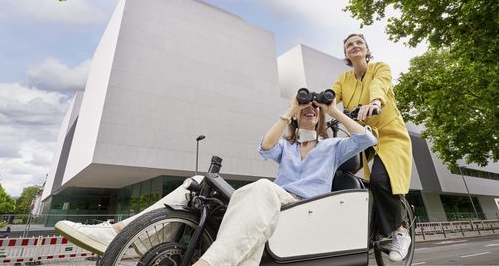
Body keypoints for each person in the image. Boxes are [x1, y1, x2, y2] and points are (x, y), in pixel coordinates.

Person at [56, 95, 377, 265]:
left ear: (319, 117)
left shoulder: (333, 146)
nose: (309, 111)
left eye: (312, 110)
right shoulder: (288, 146)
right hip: (276, 200)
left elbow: (365, 140)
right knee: (198, 180)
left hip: (305, 206)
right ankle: (118, 234)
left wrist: (332, 110)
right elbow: (264, 146)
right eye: (304, 109)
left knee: (264, 187)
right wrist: (290, 108)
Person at [332, 33, 413, 262]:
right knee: (335, 172)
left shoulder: (380, 68)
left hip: (389, 134)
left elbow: (379, 85)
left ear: (367, 50)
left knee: (380, 179)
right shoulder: (343, 79)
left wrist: (375, 102)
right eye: (349, 45)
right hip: (363, 137)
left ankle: (400, 230)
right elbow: (330, 98)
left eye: (359, 43)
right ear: (346, 54)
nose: (354, 46)